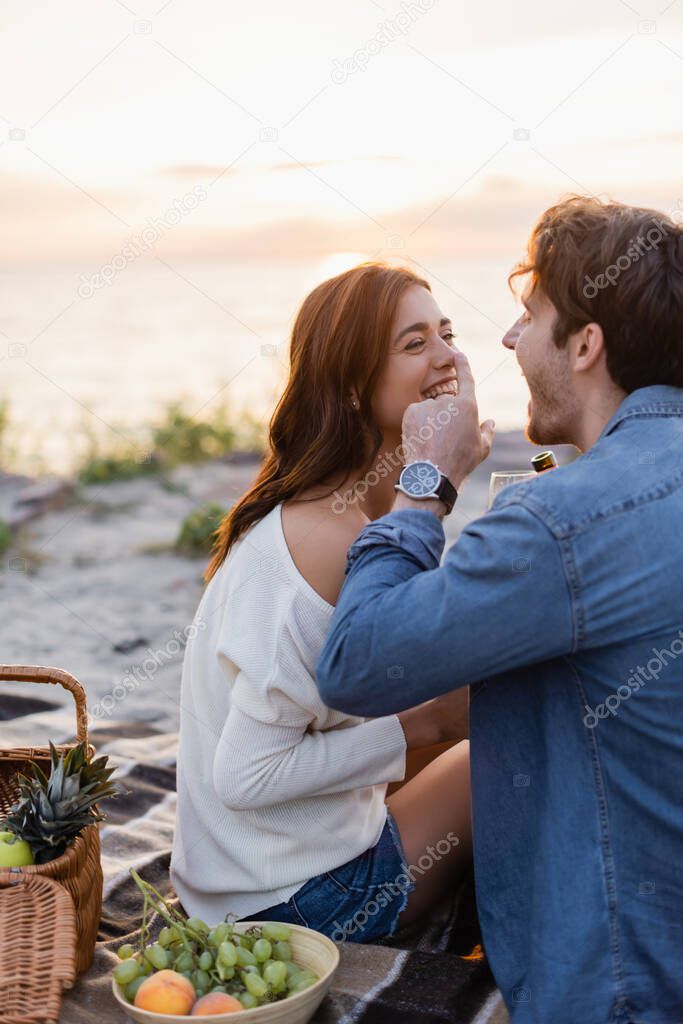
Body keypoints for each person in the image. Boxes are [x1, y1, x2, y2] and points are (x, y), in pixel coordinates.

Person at [316, 196, 683, 1022]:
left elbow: (356, 661)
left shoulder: (560, 521)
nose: (508, 341)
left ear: (585, 344)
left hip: (622, 987)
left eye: (529, 316)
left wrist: (424, 484)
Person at [170, 262, 474, 944]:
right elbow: (247, 776)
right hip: (284, 909)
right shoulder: (326, 539)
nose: (449, 356)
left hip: (245, 874)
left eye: (447, 334)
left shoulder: (343, 514)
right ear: (350, 388)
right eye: (414, 343)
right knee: (493, 758)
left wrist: (439, 474)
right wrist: (424, 725)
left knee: (466, 718)